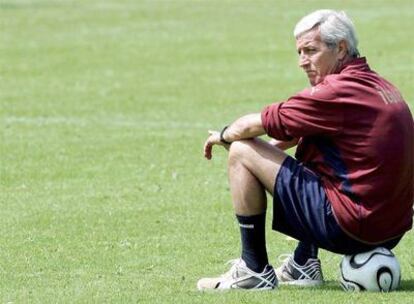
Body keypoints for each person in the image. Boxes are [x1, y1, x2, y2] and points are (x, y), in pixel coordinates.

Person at [197, 9, 414, 291]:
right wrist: (270, 157)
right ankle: (303, 264)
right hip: (389, 231)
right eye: (299, 52)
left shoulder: (336, 92)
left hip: (352, 229)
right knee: (316, 144)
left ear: (341, 49)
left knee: (241, 150)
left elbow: (255, 124)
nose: (302, 62)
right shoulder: (382, 87)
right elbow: (303, 131)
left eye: (310, 51)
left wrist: (225, 136)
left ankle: (253, 270)